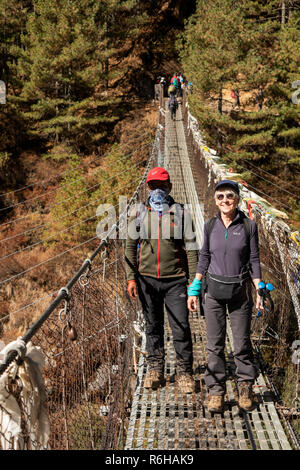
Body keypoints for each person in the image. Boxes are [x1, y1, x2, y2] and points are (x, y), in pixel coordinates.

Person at [187, 180, 262, 413]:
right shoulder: (210, 226)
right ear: (215, 200)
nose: (225, 200)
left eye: (230, 196)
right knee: (214, 344)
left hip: (240, 292)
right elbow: (205, 256)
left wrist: (259, 287)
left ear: (237, 198)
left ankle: (245, 386)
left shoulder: (249, 226)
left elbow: (254, 259)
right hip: (214, 293)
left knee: (241, 342)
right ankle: (216, 391)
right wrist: (195, 287)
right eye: (220, 197)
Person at [125, 167, 199, 393]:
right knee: (152, 326)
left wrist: (193, 286)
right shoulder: (137, 213)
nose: (157, 189)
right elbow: (129, 246)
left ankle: (185, 373)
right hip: (147, 280)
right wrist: (131, 278)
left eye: (161, 185)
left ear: (170, 187)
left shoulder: (181, 213)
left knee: (181, 327)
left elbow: (192, 250)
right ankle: (156, 370)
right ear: (147, 187)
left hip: (176, 280)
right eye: (153, 185)